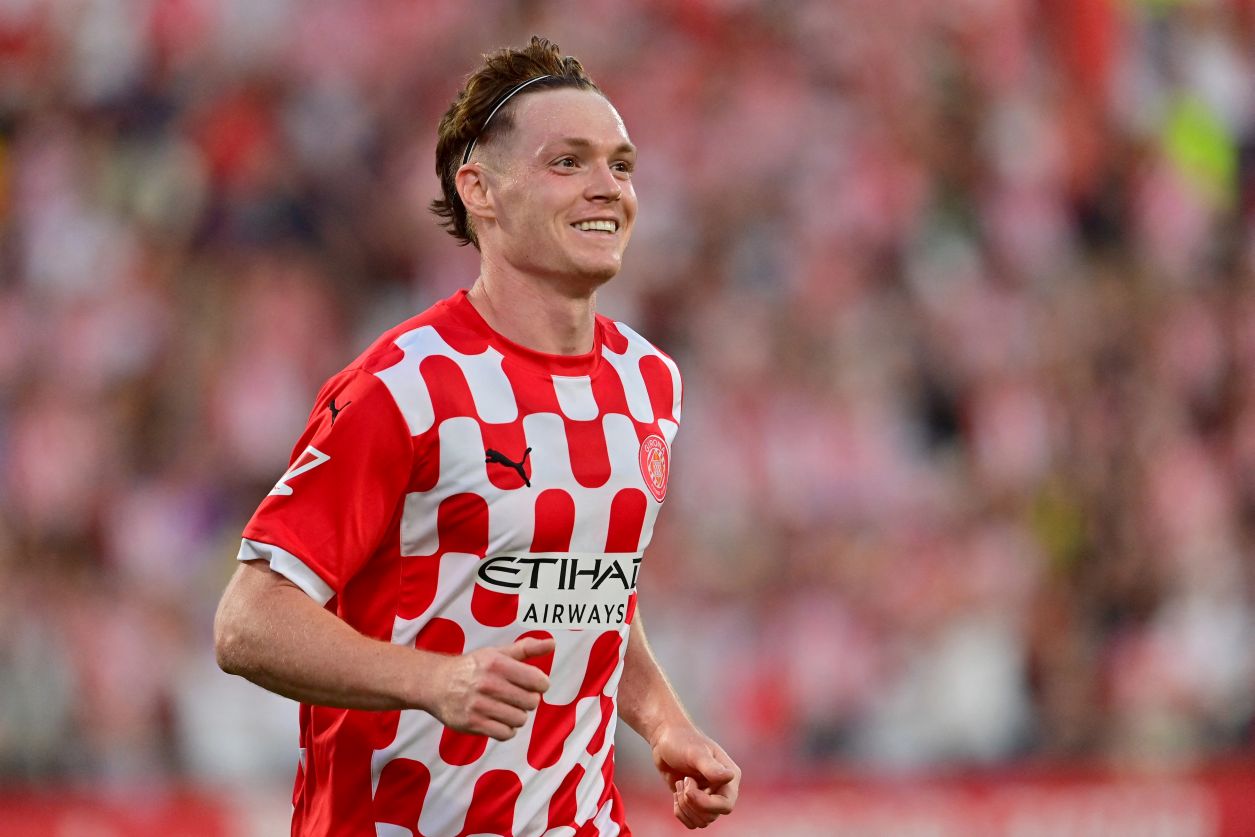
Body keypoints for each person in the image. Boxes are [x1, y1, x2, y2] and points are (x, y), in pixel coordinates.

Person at [214, 35, 741, 836]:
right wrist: (431, 679)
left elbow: (587, 589)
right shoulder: (404, 386)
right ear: (479, 190)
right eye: (567, 162)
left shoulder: (648, 380)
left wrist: (666, 723)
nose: (608, 187)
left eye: (621, 165)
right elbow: (248, 621)